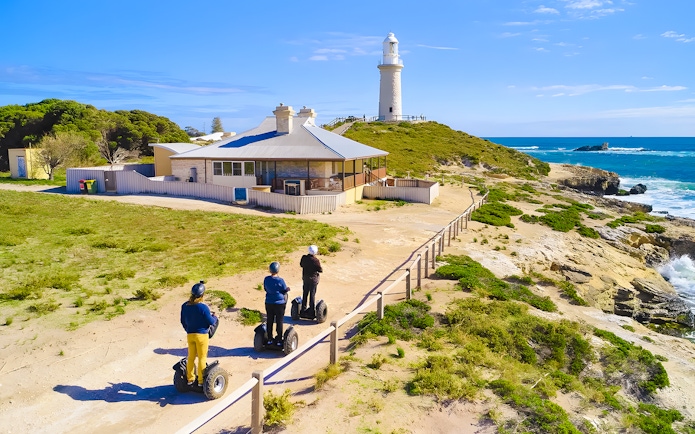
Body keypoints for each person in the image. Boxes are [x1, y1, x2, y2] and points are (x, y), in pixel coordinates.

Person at [180, 281, 217, 388]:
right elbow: (211, 322)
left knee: (191, 357)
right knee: (202, 358)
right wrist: (215, 316)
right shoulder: (203, 307)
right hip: (202, 335)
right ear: (202, 295)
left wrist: (188, 329)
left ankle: (190, 379)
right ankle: (201, 381)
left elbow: (182, 321)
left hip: (190, 335)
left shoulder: (184, 306)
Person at [264, 262, 290, 345]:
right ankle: (279, 339)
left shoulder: (266, 279)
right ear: (278, 270)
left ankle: (269, 339)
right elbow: (283, 290)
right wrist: (287, 289)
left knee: (269, 320)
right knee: (279, 321)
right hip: (279, 303)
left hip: (269, 302)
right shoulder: (280, 280)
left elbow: (265, 288)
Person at [299, 245, 323, 315]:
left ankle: (303, 309)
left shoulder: (304, 258)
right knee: (312, 294)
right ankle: (311, 310)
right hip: (313, 279)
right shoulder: (316, 261)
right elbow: (320, 270)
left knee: (305, 293)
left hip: (305, 278)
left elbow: (301, 265)